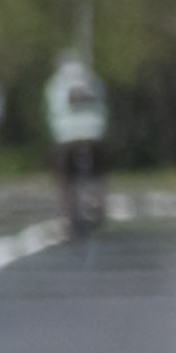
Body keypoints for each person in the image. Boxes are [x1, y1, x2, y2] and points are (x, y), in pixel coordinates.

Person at [51, 48, 109, 230]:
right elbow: (102, 104)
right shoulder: (92, 79)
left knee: (65, 177)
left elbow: (51, 111)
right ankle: (97, 203)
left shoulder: (57, 83)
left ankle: (68, 214)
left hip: (66, 136)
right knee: (97, 174)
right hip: (94, 133)